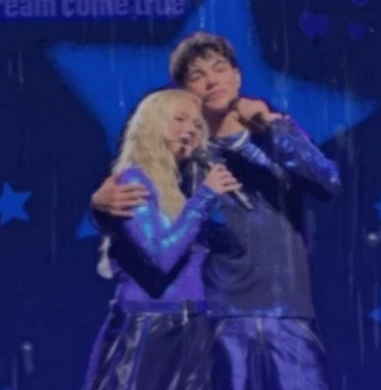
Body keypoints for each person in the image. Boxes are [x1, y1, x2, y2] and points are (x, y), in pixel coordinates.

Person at [91, 32, 341, 389]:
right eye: (197, 75)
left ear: (237, 76)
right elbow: (145, 221)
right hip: (218, 320)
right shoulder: (185, 157)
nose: (211, 81)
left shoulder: (275, 138)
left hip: (288, 313)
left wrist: (272, 126)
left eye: (219, 68)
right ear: (186, 91)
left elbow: (328, 182)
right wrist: (100, 209)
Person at [82, 88, 241, 390]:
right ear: (153, 124)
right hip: (150, 328)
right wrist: (205, 198)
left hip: (193, 327)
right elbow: (160, 257)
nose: (190, 129)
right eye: (179, 119)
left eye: (197, 125)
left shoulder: (181, 190)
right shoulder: (134, 180)